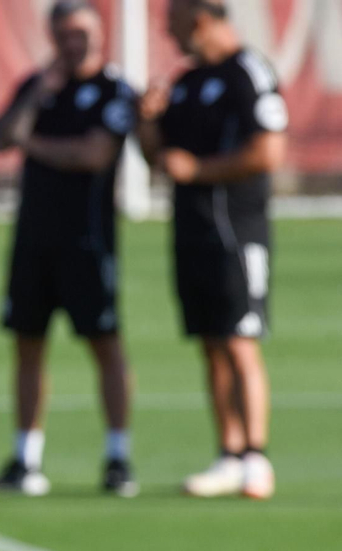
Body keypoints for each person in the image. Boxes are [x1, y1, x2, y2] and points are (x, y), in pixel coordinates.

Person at [0, 0, 138, 497]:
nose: (75, 43)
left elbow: (92, 154)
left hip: (89, 242)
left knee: (105, 343)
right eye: (65, 34)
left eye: (82, 33)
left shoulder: (115, 90)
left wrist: (31, 144)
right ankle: (26, 459)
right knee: (28, 342)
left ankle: (118, 457)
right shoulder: (38, 85)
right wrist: (35, 100)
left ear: (99, 34)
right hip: (33, 239)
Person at [139, 0, 286, 500]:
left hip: (237, 231)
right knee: (209, 341)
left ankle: (257, 457)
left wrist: (200, 170)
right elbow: (161, 159)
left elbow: (268, 152)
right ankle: (229, 453)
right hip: (192, 231)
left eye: (174, 21)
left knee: (241, 339)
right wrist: (148, 122)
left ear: (200, 18)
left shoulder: (249, 72)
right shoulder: (187, 82)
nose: (169, 32)